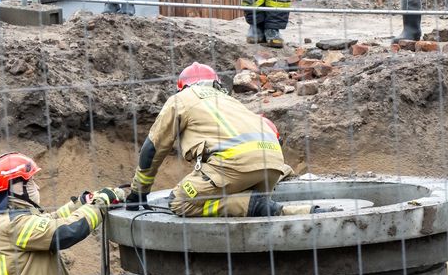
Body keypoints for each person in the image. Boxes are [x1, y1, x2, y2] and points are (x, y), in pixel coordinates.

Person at [126, 63, 324, 217]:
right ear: (217, 84)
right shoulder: (230, 101)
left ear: (182, 87)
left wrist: (139, 191)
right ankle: (263, 205)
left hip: (232, 167)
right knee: (234, 190)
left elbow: (152, 148)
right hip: (271, 167)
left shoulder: (182, 99)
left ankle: (253, 205)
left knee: (180, 201)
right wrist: (282, 169)